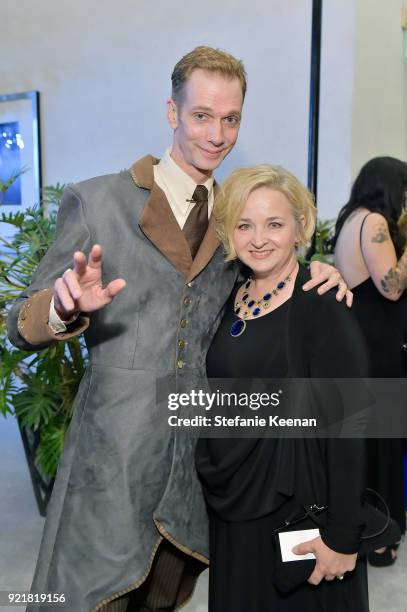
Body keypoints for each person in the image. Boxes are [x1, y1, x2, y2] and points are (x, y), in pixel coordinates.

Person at [7, 47, 349, 612]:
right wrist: (62, 308)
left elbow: (269, 271)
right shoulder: (99, 202)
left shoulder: (234, 219)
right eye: (201, 115)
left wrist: (318, 271)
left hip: (195, 471)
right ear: (172, 112)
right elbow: (17, 323)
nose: (216, 134)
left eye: (231, 118)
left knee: (164, 601)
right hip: (112, 463)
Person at [196, 164, 370, 612]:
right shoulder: (230, 295)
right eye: (244, 225)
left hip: (299, 510)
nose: (259, 238)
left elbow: (351, 426)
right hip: (235, 506)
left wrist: (343, 536)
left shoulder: (321, 302)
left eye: (274, 224)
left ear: (300, 228)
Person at [332, 156, 407, 566]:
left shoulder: (352, 218)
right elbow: (391, 286)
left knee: (371, 440)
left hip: (362, 340)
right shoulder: (375, 222)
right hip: (377, 345)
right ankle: (381, 536)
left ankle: (369, 526)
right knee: (383, 441)